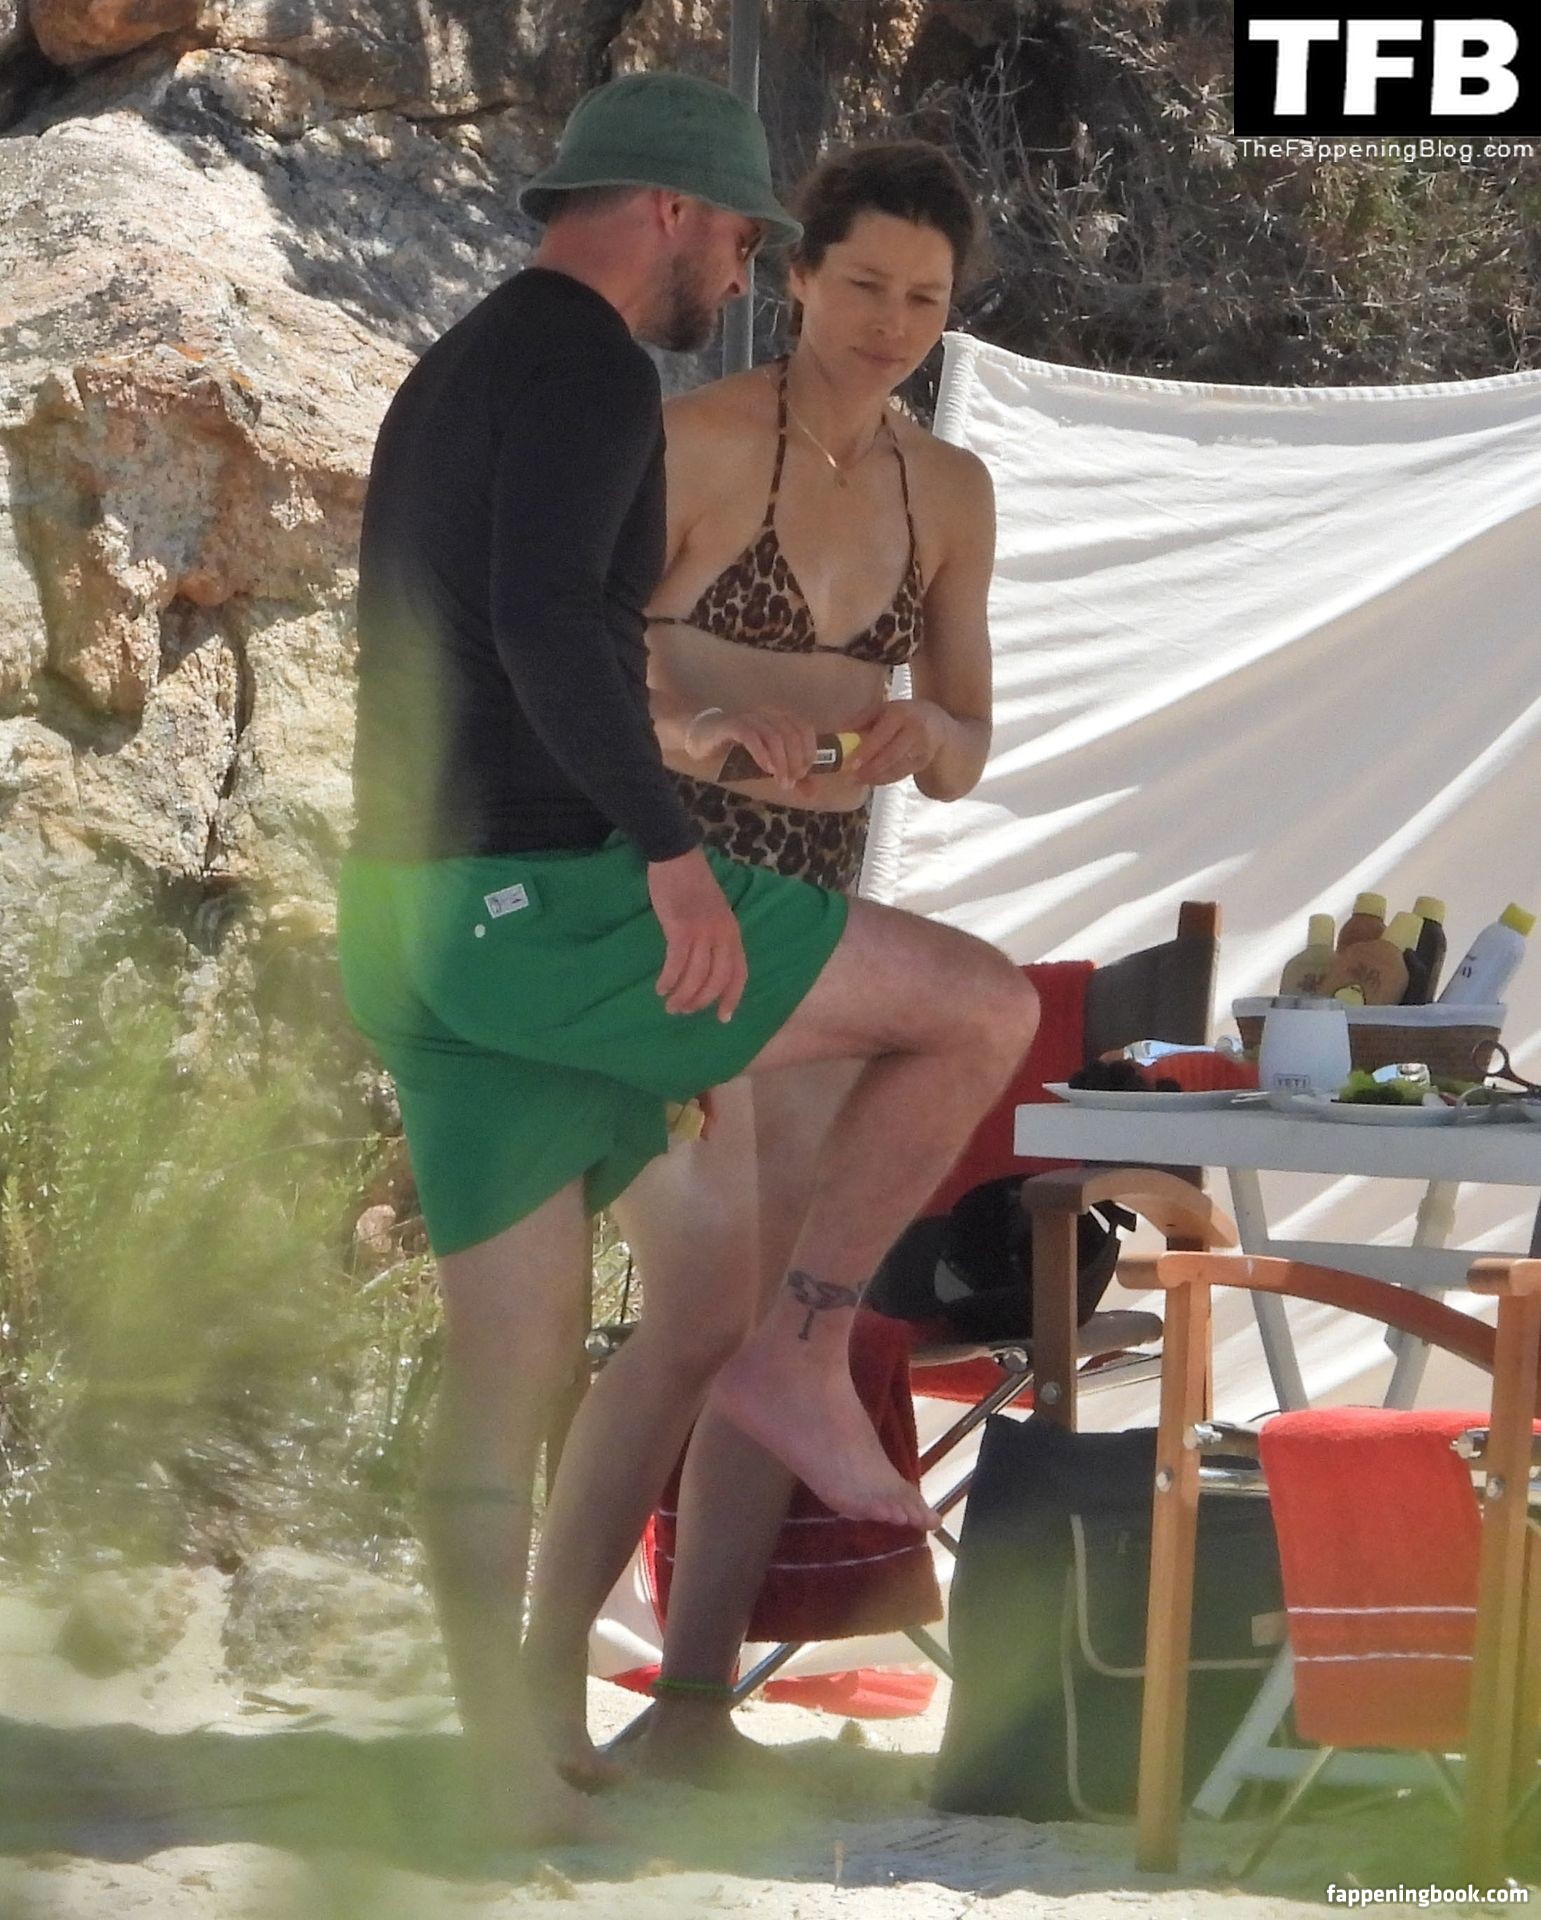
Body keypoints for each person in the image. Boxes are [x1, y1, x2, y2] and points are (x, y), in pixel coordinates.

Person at [340, 71, 1037, 1848]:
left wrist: (866, 744)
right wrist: (672, 835)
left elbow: (503, 633)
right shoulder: (600, 374)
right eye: (751, 241)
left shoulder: (471, 360)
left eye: (926, 297)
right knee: (979, 1010)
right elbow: (552, 631)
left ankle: (515, 1759)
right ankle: (799, 1374)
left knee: (534, 1365)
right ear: (679, 214)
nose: (732, 273)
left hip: (429, 906)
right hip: (597, 898)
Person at [523, 141, 1001, 1787]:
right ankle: (534, 1692)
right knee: (691, 1315)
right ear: (793, 275)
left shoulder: (949, 490)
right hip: (671, 890)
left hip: (821, 907)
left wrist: (920, 735)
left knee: (753, 1333)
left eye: (923, 298)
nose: (889, 321)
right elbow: (575, 672)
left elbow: (968, 743)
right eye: (861, 282)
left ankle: (692, 1700)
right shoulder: (696, 442)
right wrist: (703, 729)